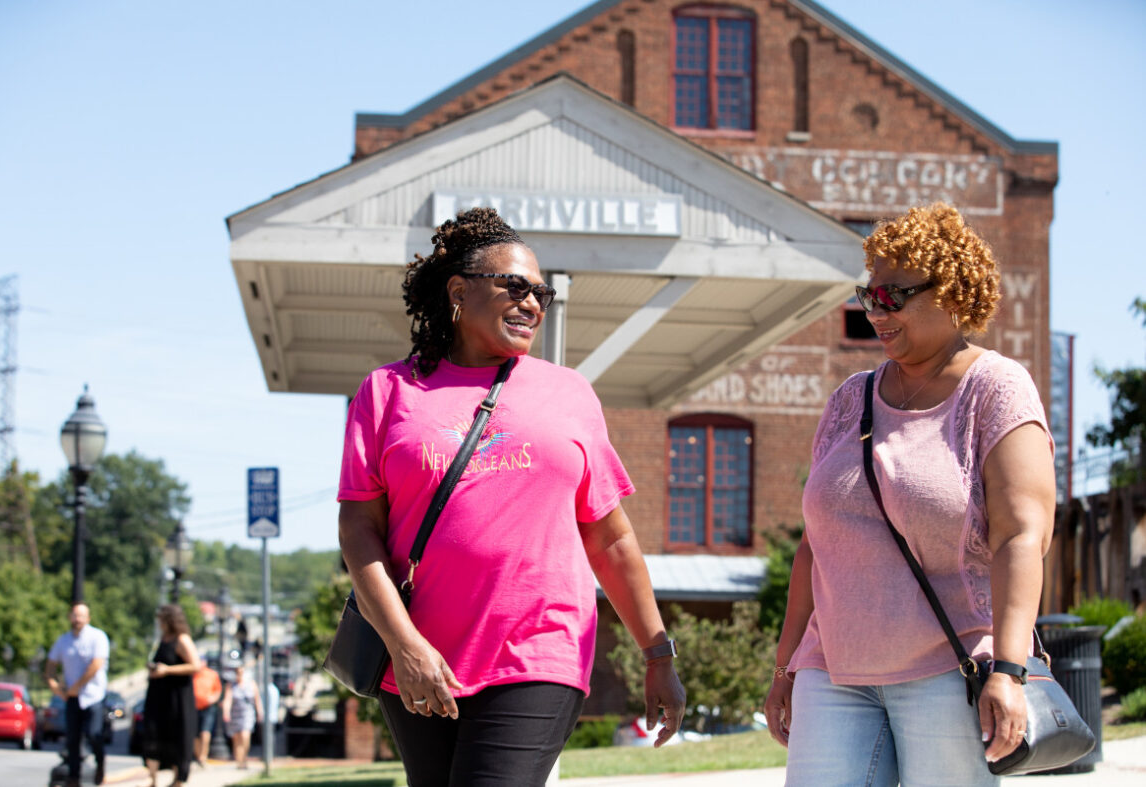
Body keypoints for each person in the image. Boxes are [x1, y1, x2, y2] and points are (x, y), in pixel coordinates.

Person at [337, 206, 686, 786]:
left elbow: (611, 536)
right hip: (421, 658)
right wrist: (405, 646)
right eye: (514, 287)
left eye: (541, 295)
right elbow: (359, 533)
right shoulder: (389, 391)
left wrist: (658, 656)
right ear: (458, 291)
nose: (532, 304)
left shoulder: (567, 393)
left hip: (539, 650)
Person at [763, 202, 1056, 785]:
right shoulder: (852, 398)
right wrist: (785, 667)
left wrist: (1010, 669)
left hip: (946, 672)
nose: (876, 309)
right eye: (869, 295)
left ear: (950, 292)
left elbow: (1022, 535)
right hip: (833, 670)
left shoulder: (995, 389)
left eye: (894, 295)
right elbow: (815, 544)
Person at [45, 602, 110, 787]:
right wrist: (53, 684)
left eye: (81, 616)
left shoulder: (98, 637)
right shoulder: (63, 640)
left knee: (93, 734)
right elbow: (50, 665)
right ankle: (74, 777)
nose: (77, 619)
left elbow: (96, 665)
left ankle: (100, 763)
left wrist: (77, 686)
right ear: (69, 617)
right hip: (72, 697)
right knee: (72, 738)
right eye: (74, 615)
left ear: (88, 618)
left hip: (93, 695)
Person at [142, 604, 199, 787]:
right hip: (159, 697)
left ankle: (177, 780)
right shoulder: (163, 638)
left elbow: (196, 665)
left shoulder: (182, 639)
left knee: (177, 737)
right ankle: (152, 780)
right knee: (153, 736)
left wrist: (167, 670)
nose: (159, 622)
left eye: (161, 619)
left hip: (177, 699)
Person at [222, 663, 262, 769]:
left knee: (245, 736)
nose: (239, 674)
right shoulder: (231, 685)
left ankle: (244, 758)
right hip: (235, 713)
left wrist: (259, 712)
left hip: (247, 713)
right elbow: (227, 699)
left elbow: (257, 699)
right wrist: (226, 712)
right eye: (237, 672)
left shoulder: (251, 684)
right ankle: (239, 761)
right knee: (236, 739)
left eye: (241, 672)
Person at [190, 657, 222, 768]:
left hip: (208, 707)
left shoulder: (212, 675)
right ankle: (198, 756)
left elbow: (218, 690)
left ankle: (203, 757)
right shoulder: (192, 675)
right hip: (194, 707)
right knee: (194, 734)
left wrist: (212, 698)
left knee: (205, 732)